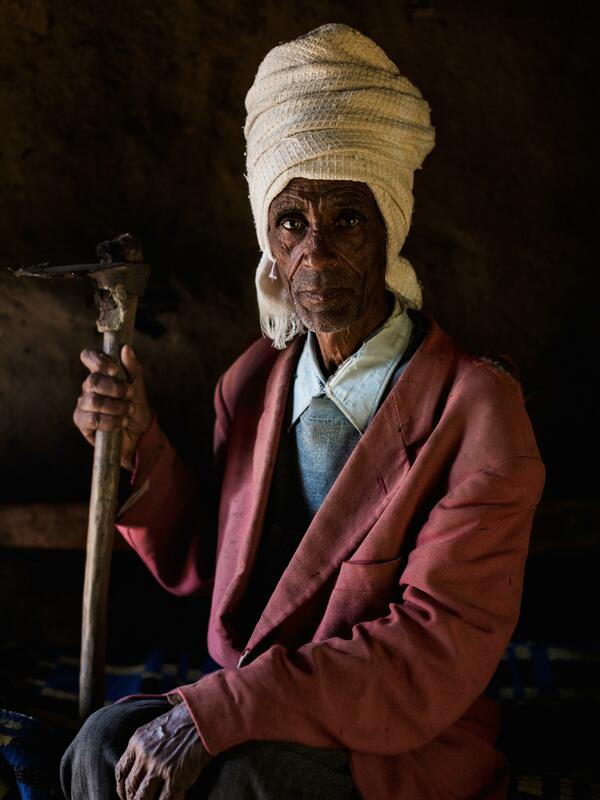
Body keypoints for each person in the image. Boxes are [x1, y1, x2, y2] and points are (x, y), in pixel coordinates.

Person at [61, 23, 545, 800]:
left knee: (243, 781)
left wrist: (219, 714)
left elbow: (426, 655)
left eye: (347, 219)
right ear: (268, 239)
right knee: (99, 747)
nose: (315, 254)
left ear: (389, 227)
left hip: (390, 730)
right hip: (250, 698)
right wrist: (136, 443)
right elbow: (210, 567)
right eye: (292, 222)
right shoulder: (253, 383)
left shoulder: (478, 412)